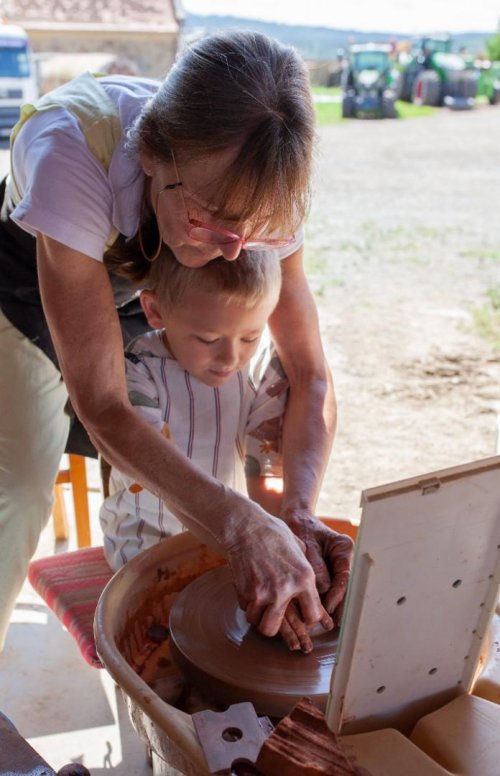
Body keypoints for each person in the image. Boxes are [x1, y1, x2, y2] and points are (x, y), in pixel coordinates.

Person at [0, 30, 353, 653]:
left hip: (144, 281)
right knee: (21, 477)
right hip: (22, 285)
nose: (232, 249)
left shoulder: (258, 190)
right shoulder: (70, 154)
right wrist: (239, 525)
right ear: (152, 156)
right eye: (209, 218)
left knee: (199, 413)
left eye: (253, 229)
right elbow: (103, 403)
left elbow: (309, 374)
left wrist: (294, 512)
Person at [101, 247, 333, 651]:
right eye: (208, 339)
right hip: (146, 531)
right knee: (164, 631)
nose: (230, 357)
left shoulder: (262, 368)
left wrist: (283, 543)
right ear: (155, 312)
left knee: (263, 606)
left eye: (250, 336)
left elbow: (267, 469)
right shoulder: (136, 369)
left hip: (238, 527)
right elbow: (159, 471)